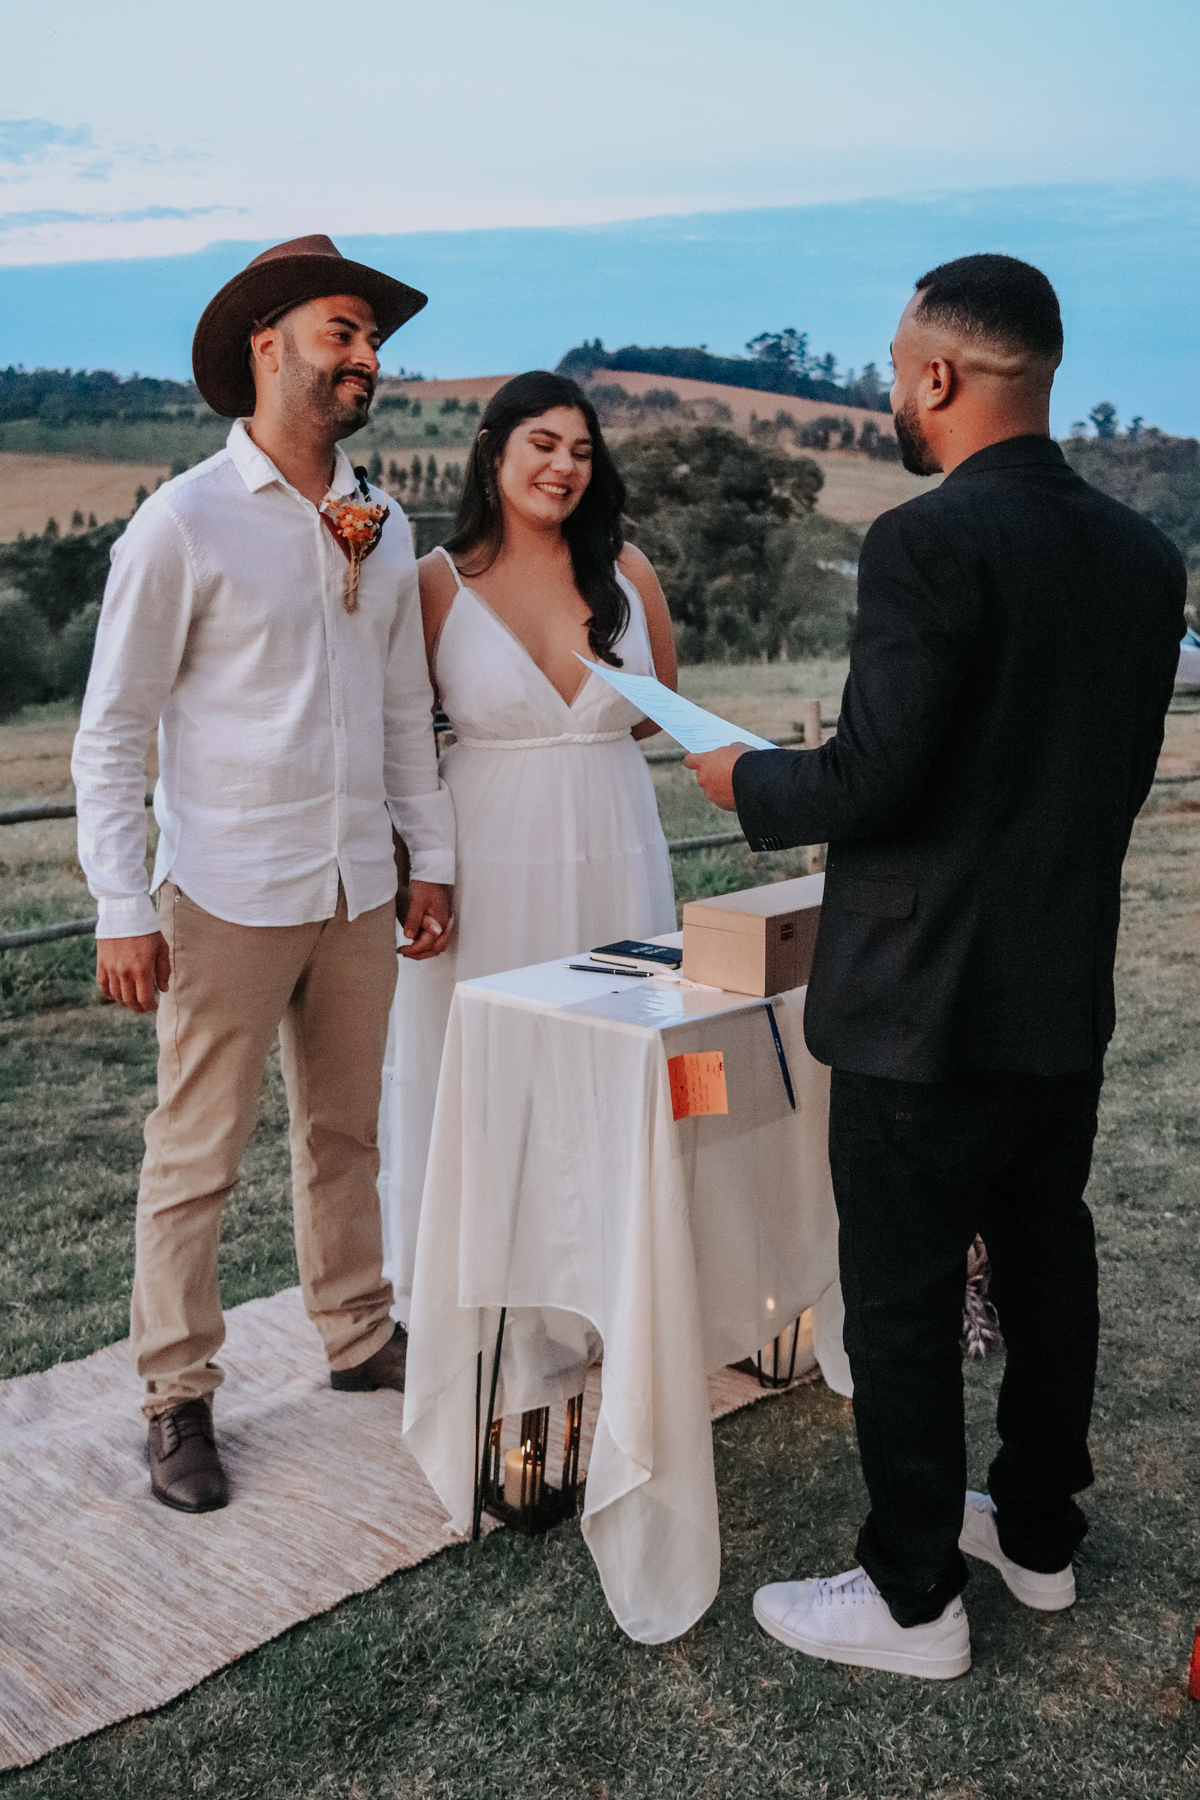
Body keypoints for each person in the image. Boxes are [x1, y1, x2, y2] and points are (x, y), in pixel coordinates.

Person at [685, 254, 1185, 1679]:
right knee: (1047, 1262)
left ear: (942, 376)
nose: (892, 391)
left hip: (921, 1007)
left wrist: (743, 779)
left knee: (901, 1298)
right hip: (1059, 991)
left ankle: (911, 1597)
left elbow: (876, 777)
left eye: (898, 368)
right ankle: (1036, 1535)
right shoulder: (1145, 558)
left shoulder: (925, 542)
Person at [71, 235, 456, 1514]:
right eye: (344, 331)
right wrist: (122, 903)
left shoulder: (383, 523)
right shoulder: (182, 523)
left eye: (373, 339)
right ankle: (175, 1393)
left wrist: (430, 858)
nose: (367, 356)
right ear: (267, 343)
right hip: (225, 891)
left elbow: (403, 713)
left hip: (356, 887)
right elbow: (113, 731)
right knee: (196, 1155)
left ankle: (356, 1330)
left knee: (348, 1133)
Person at [378, 371, 676, 1299]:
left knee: (616, 1051)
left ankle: (608, 1288)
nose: (564, 467)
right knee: (491, 1066)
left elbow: (658, 709)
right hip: (488, 850)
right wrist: (422, 868)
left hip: (616, 836)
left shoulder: (627, 569)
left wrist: (580, 746)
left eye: (582, 451)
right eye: (543, 444)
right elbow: (402, 737)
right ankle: (482, 1294)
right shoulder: (435, 582)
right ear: (492, 449)